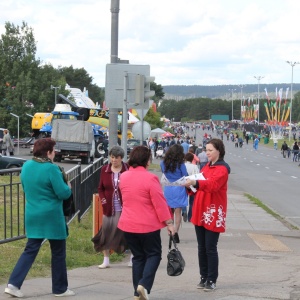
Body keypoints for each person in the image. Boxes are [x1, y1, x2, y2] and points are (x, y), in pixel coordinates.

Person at [4, 138, 75, 298]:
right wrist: (68, 187)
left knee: (30, 250)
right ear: (48, 152)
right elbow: (63, 193)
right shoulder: (51, 169)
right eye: (54, 150)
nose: (55, 153)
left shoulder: (27, 166)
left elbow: (25, 187)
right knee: (58, 252)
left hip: (32, 213)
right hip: (51, 216)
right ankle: (60, 288)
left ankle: (13, 284)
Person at [118, 146, 176, 300]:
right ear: (146, 161)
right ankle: (144, 284)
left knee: (138, 257)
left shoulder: (123, 176)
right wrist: (169, 223)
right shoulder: (150, 178)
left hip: (128, 224)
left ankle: (137, 292)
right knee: (154, 254)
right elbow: (159, 203)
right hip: (147, 225)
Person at [185, 138, 230, 292]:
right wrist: (190, 186)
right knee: (201, 247)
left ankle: (211, 279)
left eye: (210, 150)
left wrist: (195, 183)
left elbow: (212, 185)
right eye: (206, 150)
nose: (207, 153)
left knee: (210, 247)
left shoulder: (222, 169)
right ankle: (203, 276)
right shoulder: (205, 167)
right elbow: (199, 184)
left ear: (219, 150)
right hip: (200, 209)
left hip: (212, 211)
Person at [92, 145, 129, 269]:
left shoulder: (127, 169)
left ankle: (133, 258)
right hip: (109, 207)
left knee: (127, 233)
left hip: (125, 207)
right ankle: (106, 259)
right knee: (106, 232)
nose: (114, 160)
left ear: (121, 158)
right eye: (112, 157)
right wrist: (103, 200)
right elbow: (100, 188)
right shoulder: (104, 170)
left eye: (117, 158)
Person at [160, 144, 188, 243]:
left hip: (168, 187)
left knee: (169, 211)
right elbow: (186, 175)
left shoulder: (163, 163)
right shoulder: (181, 164)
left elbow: (163, 171)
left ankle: (170, 229)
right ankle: (175, 232)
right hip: (179, 187)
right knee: (178, 212)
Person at [184, 152, 199, 222]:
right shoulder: (194, 166)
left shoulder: (182, 165)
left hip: (184, 184)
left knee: (184, 200)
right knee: (191, 202)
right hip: (192, 185)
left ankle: (184, 211)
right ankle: (190, 217)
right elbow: (197, 176)